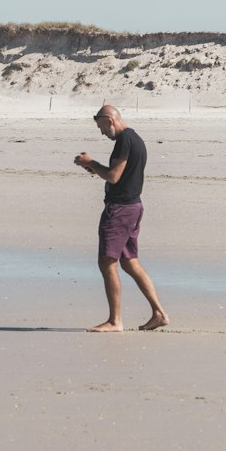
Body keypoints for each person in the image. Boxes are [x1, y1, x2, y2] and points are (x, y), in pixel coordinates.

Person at [73, 104, 170, 332]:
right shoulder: (134, 138)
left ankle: (115, 321)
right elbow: (119, 175)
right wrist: (95, 169)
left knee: (107, 262)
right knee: (129, 262)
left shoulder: (124, 140)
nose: (102, 132)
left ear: (110, 120)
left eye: (101, 127)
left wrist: (91, 163)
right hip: (133, 207)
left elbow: (114, 177)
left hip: (120, 210)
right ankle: (159, 313)